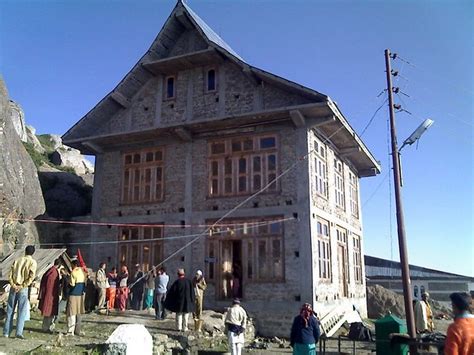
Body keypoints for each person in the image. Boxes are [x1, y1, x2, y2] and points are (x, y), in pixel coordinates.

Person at [3, 245, 37, 339]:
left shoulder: (17, 260)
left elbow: (10, 274)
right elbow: (31, 276)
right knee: (21, 311)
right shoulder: (32, 262)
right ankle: (18, 332)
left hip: (14, 287)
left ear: (25, 251)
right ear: (33, 253)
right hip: (23, 288)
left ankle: (6, 332)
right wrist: (22, 286)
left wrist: (13, 284)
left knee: (10, 310)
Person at [38, 258, 61, 333]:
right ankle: (47, 328)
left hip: (47, 294)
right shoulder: (54, 272)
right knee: (49, 312)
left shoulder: (49, 270)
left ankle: (45, 327)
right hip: (51, 295)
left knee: (48, 312)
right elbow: (51, 285)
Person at [66, 259, 86, 336]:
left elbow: (72, 284)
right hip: (80, 294)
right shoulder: (82, 271)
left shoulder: (73, 272)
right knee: (78, 313)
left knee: (71, 313)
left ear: (74, 265)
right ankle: (78, 330)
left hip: (73, 294)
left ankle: (70, 331)